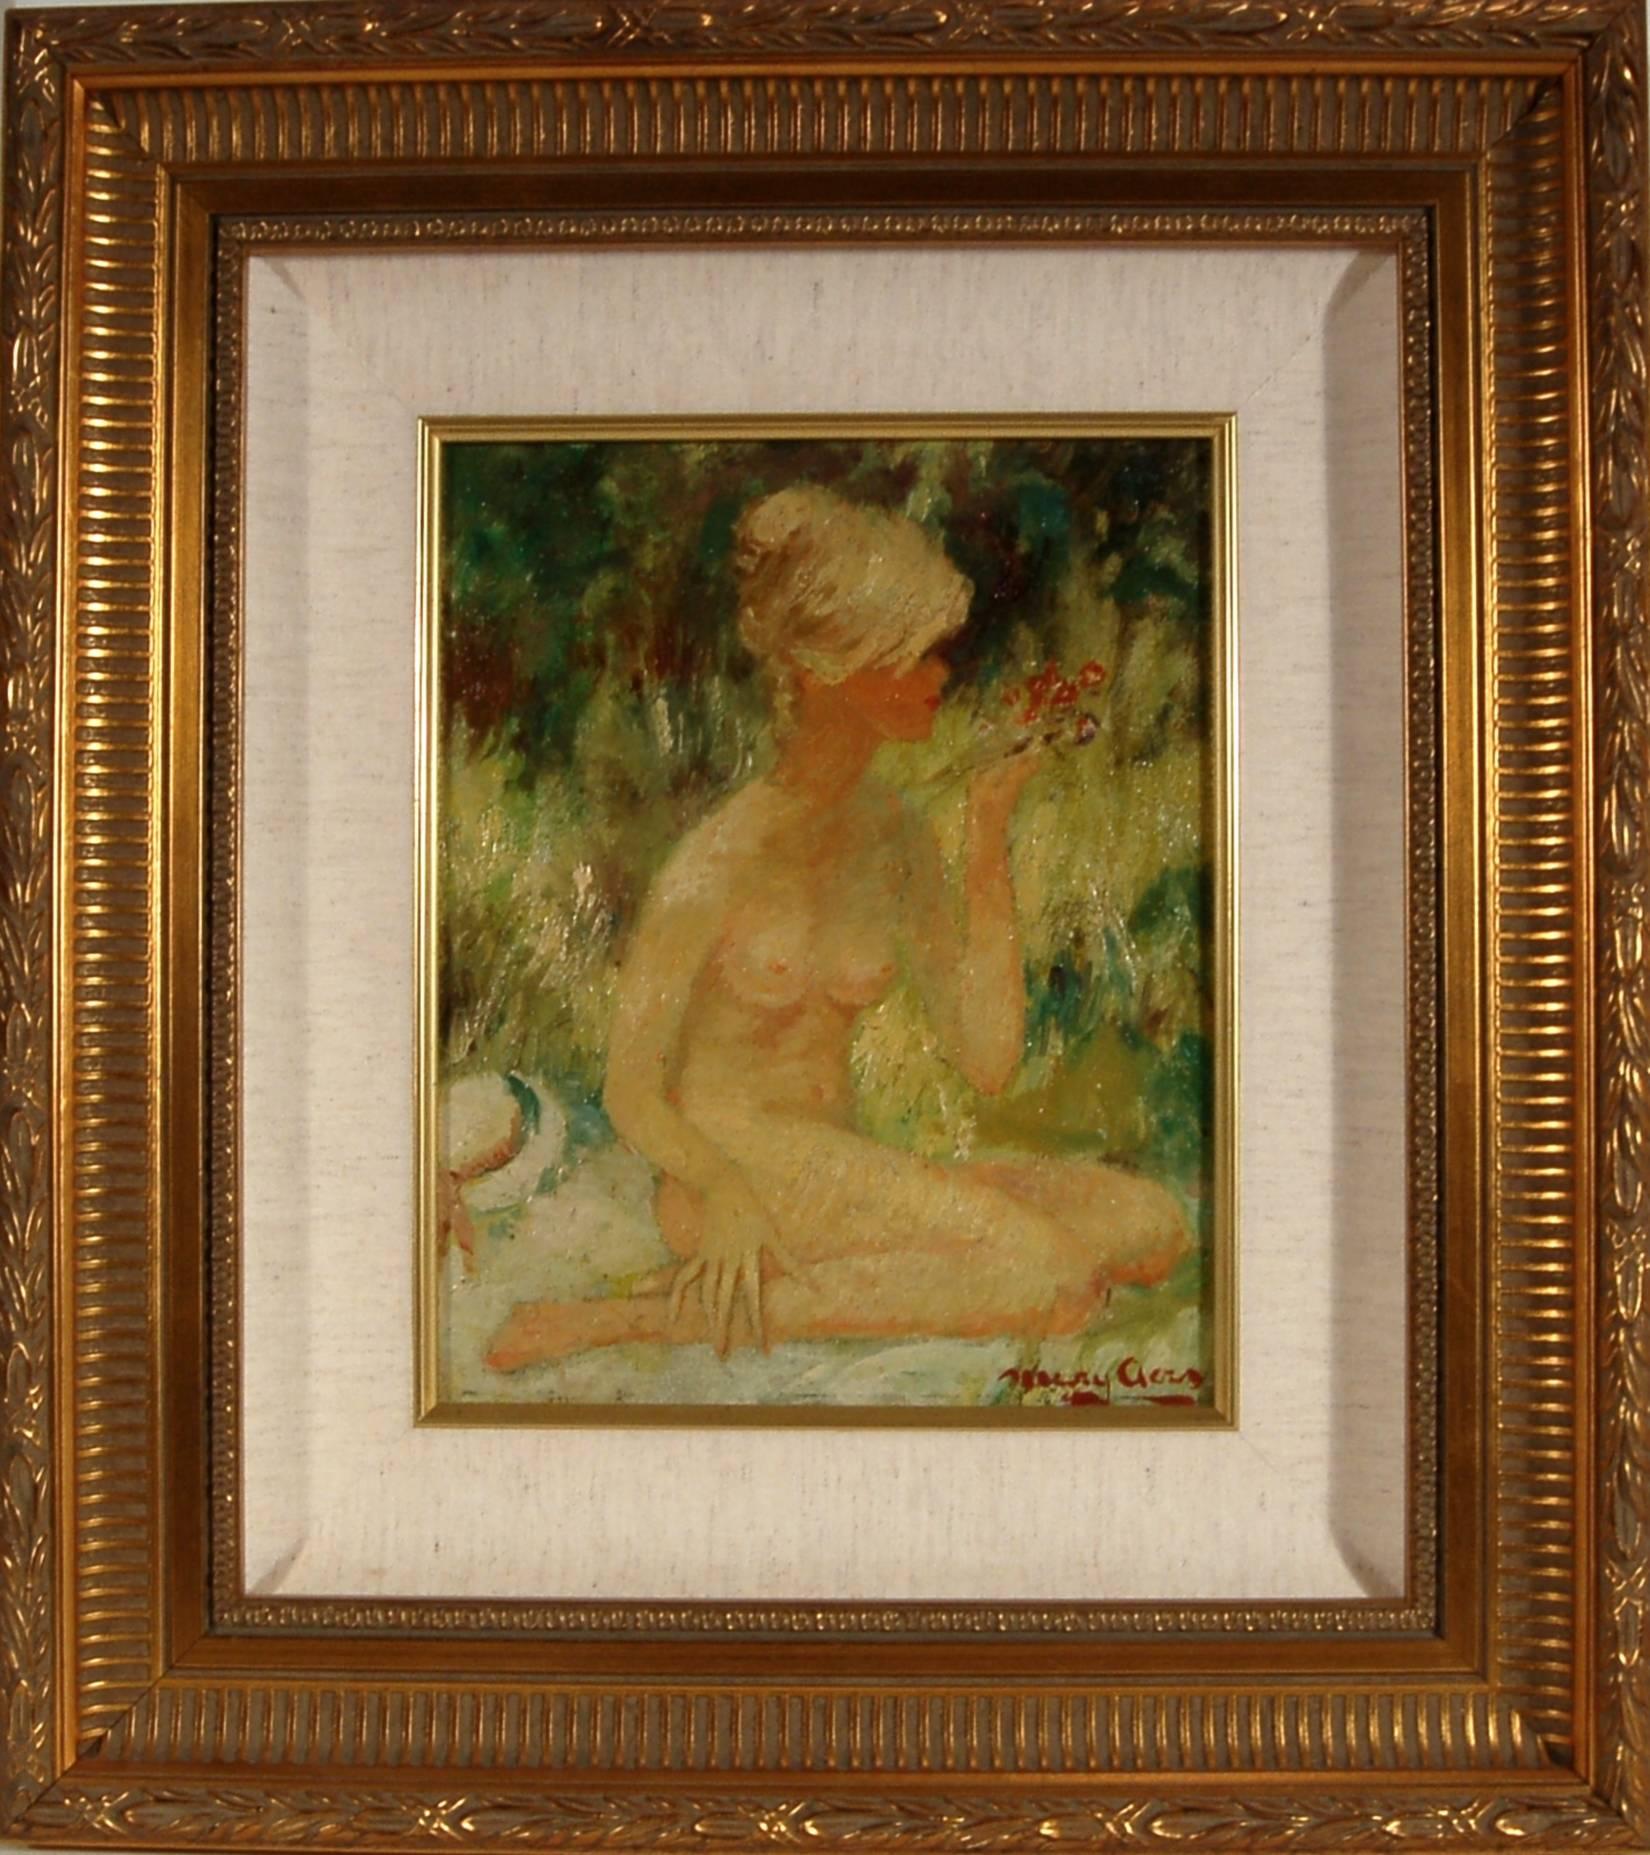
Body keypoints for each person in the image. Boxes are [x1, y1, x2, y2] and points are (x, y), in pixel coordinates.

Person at [486, 484, 1187, 1370]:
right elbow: (631, 1090)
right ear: (826, 666)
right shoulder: (717, 861)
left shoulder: (896, 836)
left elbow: (988, 1061)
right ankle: (615, 1321)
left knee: (1149, 1226)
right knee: (1059, 1279)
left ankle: (834, 1278)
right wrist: (723, 1187)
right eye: (915, 654)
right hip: (730, 1172)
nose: (941, 677)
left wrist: (987, 832)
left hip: (839, 1174)